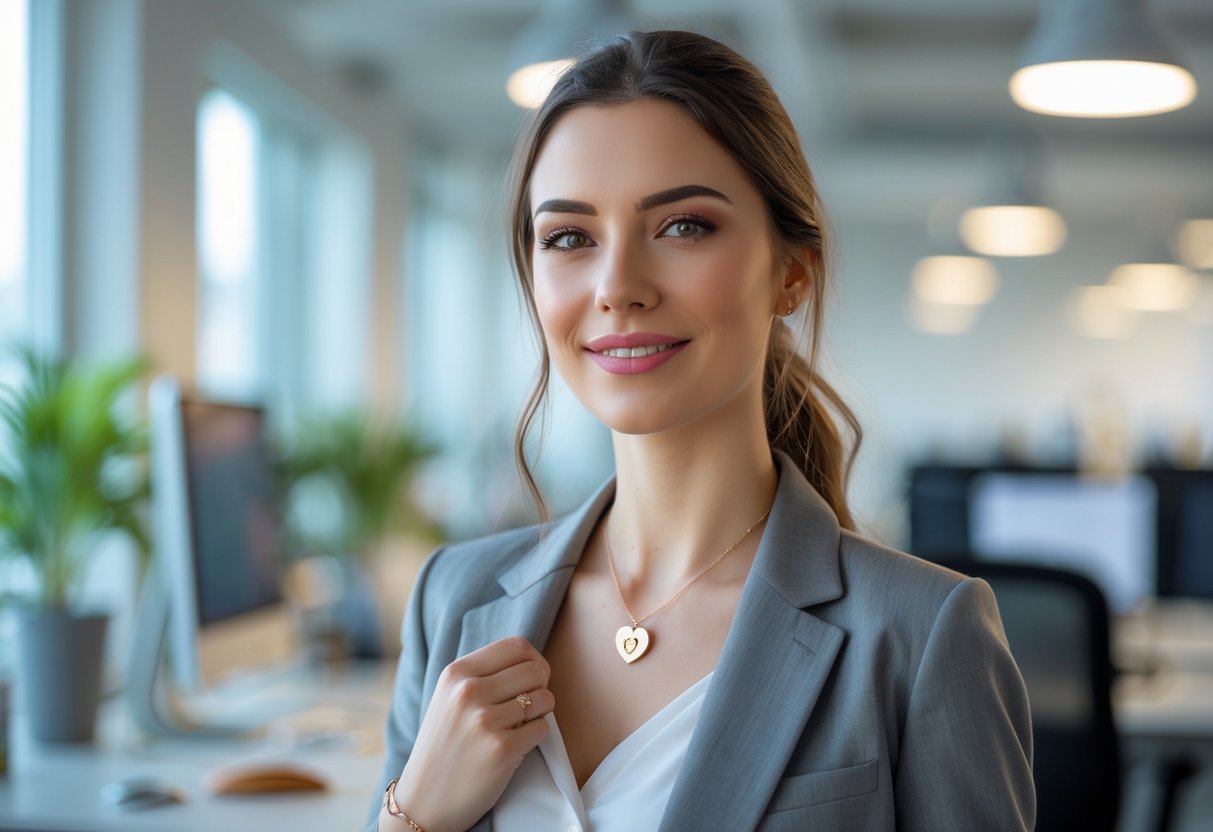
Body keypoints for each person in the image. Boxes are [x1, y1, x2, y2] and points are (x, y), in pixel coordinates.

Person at [370, 29, 1034, 832]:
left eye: (682, 226)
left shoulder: (923, 633)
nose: (617, 287)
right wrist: (414, 816)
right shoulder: (454, 598)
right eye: (569, 238)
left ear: (790, 271)